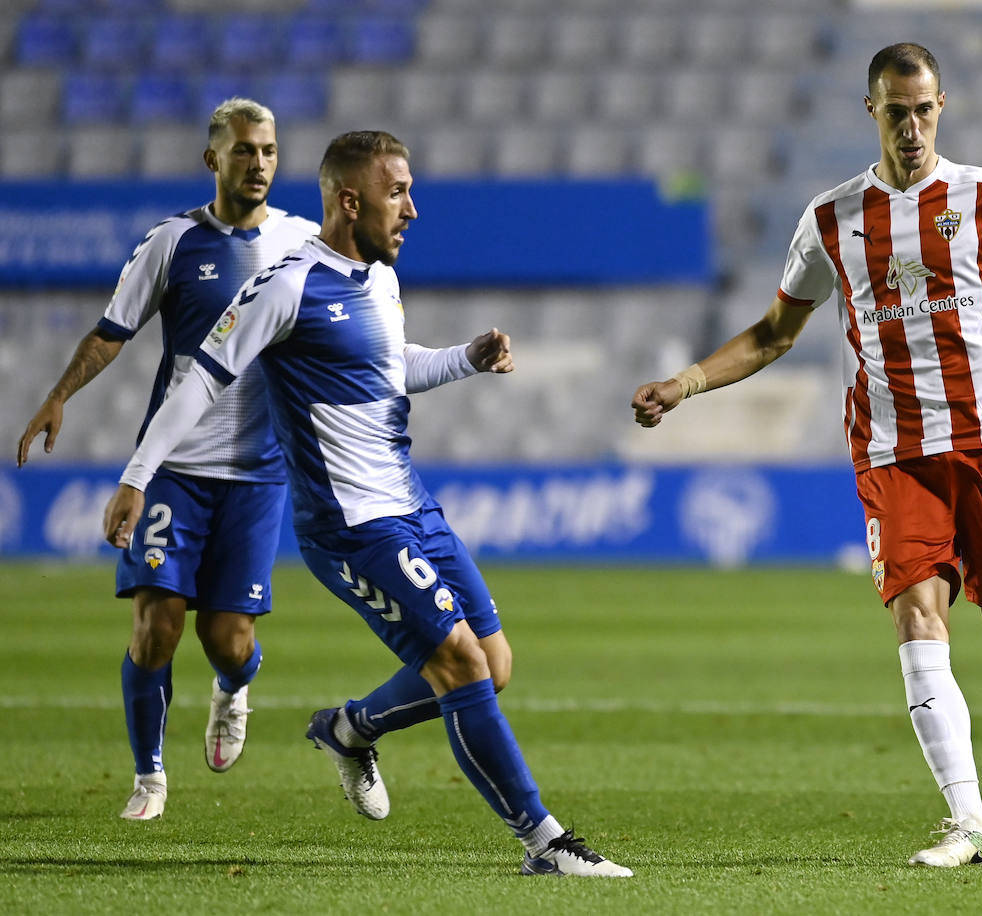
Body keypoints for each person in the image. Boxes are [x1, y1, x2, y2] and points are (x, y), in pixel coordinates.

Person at [632, 43, 982, 868]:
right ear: (870, 110)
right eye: (897, 111)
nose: (913, 126)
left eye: (926, 109)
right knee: (917, 617)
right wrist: (687, 382)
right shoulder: (831, 220)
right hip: (895, 455)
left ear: (944, 107)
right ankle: (971, 826)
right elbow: (772, 334)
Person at [102, 131, 632, 877]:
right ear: (350, 201)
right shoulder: (285, 286)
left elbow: (389, 368)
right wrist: (137, 475)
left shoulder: (379, 276)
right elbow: (199, 380)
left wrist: (465, 360)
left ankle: (350, 731)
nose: (412, 209)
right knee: (458, 664)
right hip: (350, 524)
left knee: (495, 662)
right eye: (398, 193)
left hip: (411, 502)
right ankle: (544, 842)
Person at [16, 99, 318, 821]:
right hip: (173, 468)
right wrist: (60, 395)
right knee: (156, 625)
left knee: (227, 639)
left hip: (256, 473)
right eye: (244, 151)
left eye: (270, 151)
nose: (259, 164)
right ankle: (149, 776)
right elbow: (112, 331)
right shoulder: (173, 242)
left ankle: (235, 685)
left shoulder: (304, 242)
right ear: (212, 158)